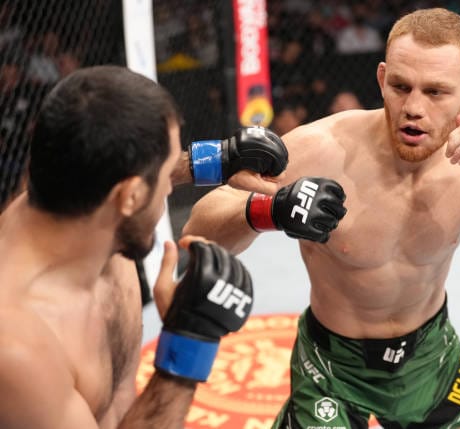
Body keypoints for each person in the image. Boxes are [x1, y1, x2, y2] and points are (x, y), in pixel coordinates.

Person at [182, 8, 460, 428]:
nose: (413, 107)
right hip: (331, 365)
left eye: (435, 92)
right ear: (381, 78)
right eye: (401, 86)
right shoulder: (322, 147)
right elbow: (197, 233)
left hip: (430, 354)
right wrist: (269, 210)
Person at [0, 65, 288, 429]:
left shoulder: (73, 199)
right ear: (130, 196)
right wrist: (188, 343)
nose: (169, 187)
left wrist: (215, 161)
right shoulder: (19, 351)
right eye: (166, 175)